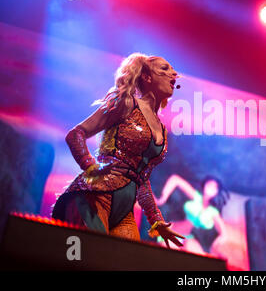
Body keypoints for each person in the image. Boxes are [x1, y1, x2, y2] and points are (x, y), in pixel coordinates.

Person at [52, 53, 185, 248]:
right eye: (164, 69)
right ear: (147, 77)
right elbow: (76, 134)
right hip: (94, 195)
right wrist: (90, 165)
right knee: (89, 259)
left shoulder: (162, 130)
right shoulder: (125, 103)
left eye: (173, 70)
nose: (173, 73)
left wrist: (157, 220)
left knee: (126, 263)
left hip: (125, 210)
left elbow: (141, 178)